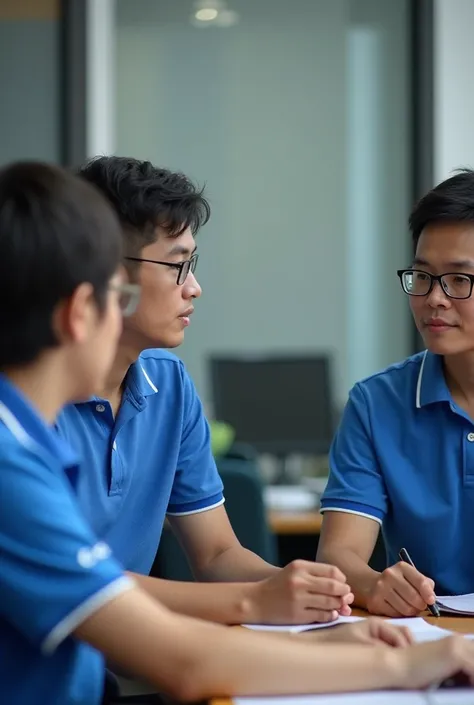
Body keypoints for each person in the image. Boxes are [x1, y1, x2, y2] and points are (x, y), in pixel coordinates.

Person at [4, 161, 474, 705]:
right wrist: (402, 661)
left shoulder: (131, 399)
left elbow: (193, 573)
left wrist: (311, 621)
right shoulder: (11, 459)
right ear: (83, 308)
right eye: (116, 297)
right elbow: (179, 657)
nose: (196, 289)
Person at [56, 155, 352, 626]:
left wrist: (298, 589)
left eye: (191, 264)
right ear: (107, 273)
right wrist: (255, 603)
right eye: (177, 265)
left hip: (126, 660)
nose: (194, 288)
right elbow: (72, 582)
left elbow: (216, 555)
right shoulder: (33, 402)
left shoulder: (168, 384)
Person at [318, 168, 474, 617]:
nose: (434, 299)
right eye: (422, 277)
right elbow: (338, 557)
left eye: (459, 280)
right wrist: (376, 585)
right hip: (427, 644)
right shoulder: (376, 403)